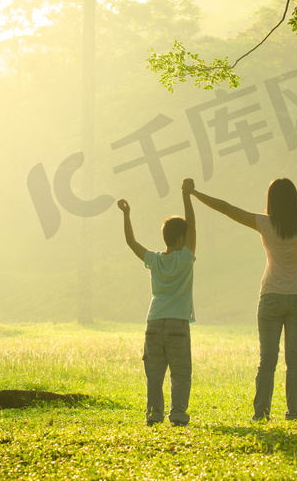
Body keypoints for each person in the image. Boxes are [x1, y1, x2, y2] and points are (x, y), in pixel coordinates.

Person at [187, 135, 297, 421]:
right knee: (295, 361)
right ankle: (293, 413)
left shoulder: (265, 224)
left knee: (267, 361)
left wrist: (195, 194)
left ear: (270, 201)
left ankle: (261, 413)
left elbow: (226, 208)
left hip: (270, 299)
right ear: (295, 200)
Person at [117, 177, 197, 426]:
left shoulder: (154, 260)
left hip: (153, 323)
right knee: (180, 372)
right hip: (178, 325)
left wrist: (126, 214)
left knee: (154, 374)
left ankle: (154, 413)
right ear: (182, 240)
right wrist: (186, 195)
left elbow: (131, 242)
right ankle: (179, 414)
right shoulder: (185, 258)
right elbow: (193, 225)